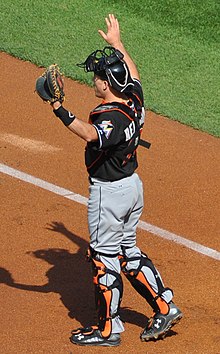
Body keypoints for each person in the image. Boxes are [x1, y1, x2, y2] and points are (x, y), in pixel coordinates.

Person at [50, 14, 182, 347]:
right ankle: (164, 305)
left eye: (96, 77)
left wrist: (58, 108)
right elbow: (134, 74)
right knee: (127, 252)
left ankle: (109, 330)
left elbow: (90, 134)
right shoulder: (133, 101)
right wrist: (117, 44)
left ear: (106, 84)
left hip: (108, 195)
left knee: (102, 257)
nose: (93, 81)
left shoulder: (109, 117)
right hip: (131, 189)